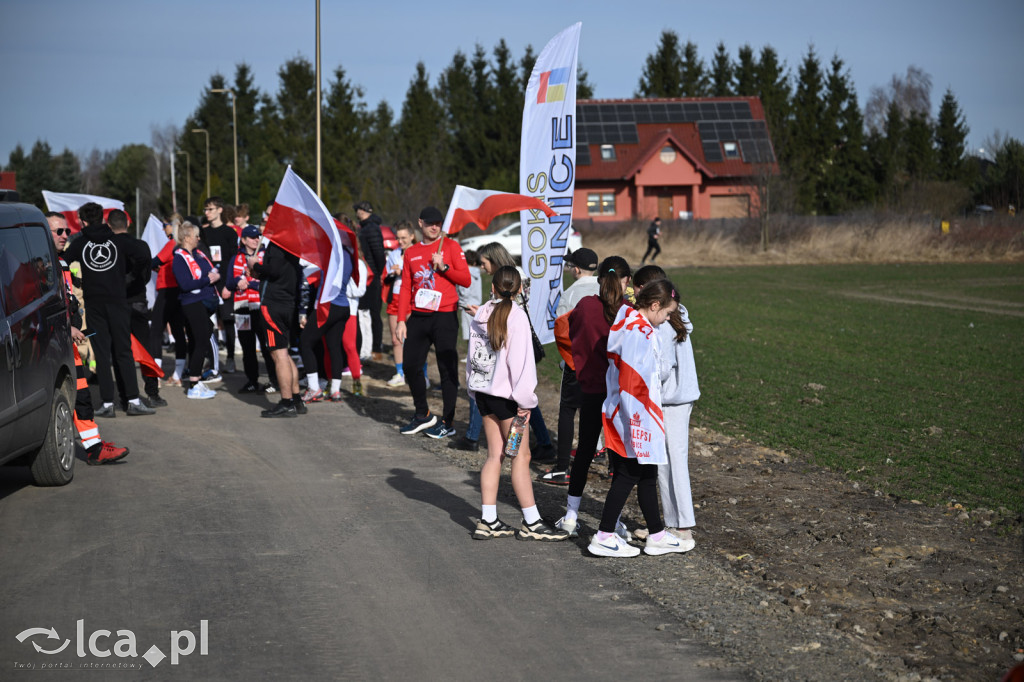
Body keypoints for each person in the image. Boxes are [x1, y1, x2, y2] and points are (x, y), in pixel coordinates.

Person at [588, 278, 691, 557]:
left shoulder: (630, 321)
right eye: (668, 313)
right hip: (635, 416)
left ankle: (656, 534)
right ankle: (604, 535)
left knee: (648, 472)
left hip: (632, 413)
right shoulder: (638, 333)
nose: (669, 319)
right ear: (655, 305)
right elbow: (632, 382)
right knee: (628, 473)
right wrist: (640, 425)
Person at [468, 266, 568, 542]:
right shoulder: (517, 317)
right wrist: (526, 402)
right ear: (520, 289)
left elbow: (473, 357)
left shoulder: (481, 312)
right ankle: (532, 522)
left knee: (495, 455)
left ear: (493, 287)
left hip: (485, 395)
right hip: (508, 400)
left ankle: (488, 520)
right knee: (520, 457)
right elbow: (521, 366)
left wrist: (474, 390)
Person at [553, 256, 632, 538]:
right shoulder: (628, 311)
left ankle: (571, 515)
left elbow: (564, 330)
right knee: (618, 459)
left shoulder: (585, 306)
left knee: (585, 451)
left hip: (589, 390)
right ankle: (615, 521)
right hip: (619, 394)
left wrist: (576, 360)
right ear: (627, 281)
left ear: (599, 279)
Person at [47, 212, 129, 464]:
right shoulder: (42, 263)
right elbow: (48, 303)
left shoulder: (61, 261)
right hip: (52, 343)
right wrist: (67, 326)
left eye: (66, 231)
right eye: (58, 232)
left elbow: (67, 298)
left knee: (81, 395)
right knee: (62, 398)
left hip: (67, 342)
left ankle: (94, 448)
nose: (64, 236)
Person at [62, 202, 155, 417]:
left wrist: (75, 280)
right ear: (103, 219)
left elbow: (62, 262)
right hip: (118, 302)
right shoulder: (118, 240)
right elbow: (143, 254)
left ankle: (107, 404)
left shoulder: (80, 243)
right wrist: (131, 278)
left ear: (82, 221)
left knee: (102, 354)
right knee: (124, 351)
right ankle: (132, 400)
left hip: (94, 305)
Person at [632, 265, 700, 550]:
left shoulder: (663, 323)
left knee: (673, 463)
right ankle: (671, 523)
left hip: (672, 400)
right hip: (676, 398)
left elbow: (661, 367)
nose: (633, 293)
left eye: (636, 288)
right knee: (665, 462)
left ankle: (683, 527)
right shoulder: (677, 313)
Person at [473, 242, 555, 461]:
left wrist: (484, 313)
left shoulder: (512, 279)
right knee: (519, 393)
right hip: (505, 338)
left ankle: (540, 443)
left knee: (519, 393)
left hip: (510, 340)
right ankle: (540, 441)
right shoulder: (513, 277)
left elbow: (509, 308)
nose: (483, 268)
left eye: (484, 263)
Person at [395, 206, 470, 438]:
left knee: (447, 369)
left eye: (437, 222)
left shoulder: (451, 246)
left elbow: (466, 279)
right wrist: (400, 319)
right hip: (419, 315)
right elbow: (406, 286)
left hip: (445, 315)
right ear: (420, 224)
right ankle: (423, 415)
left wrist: (444, 267)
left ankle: (447, 421)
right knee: (409, 365)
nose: (434, 227)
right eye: (429, 223)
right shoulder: (411, 252)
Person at [540, 246, 600, 484]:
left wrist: (568, 360)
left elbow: (562, 333)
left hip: (577, 365)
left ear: (576, 269)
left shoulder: (570, 295)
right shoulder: (605, 289)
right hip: (602, 363)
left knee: (567, 411)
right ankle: (598, 458)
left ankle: (562, 466)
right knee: (594, 413)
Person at [107, 209, 164, 408]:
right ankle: (153, 393)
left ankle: (125, 396)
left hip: (116, 303)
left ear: (109, 226)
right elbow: (146, 275)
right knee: (145, 351)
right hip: (138, 302)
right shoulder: (140, 246)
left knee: (121, 352)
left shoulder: (108, 247)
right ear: (128, 224)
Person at [251, 237, 307, 417]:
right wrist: (259, 273)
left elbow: (273, 270)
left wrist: (256, 265)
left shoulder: (278, 244)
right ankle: (296, 398)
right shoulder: (292, 245)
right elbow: (279, 272)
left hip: (274, 305)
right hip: (285, 303)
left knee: (279, 354)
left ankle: (286, 402)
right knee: (284, 352)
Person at [298, 238, 353, 404]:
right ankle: (335, 390)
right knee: (334, 346)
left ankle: (314, 388)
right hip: (343, 306)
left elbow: (305, 263)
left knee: (305, 343)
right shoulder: (348, 254)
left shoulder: (331, 254)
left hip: (328, 305)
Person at [171, 222, 220, 400]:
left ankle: (195, 380)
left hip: (201, 301)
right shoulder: (179, 258)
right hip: (191, 301)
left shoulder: (197, 254)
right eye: (195, 236)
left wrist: (213, 275)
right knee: (201, 339)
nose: (199, 238)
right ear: (186, 238)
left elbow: (210, 269)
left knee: (200, 336)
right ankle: (193, 382)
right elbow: (186, 284)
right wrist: (207, 279)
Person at [226, 225, 276, 393]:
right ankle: (252, 381)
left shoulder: (265, 256)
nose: (256, 240)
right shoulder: (236, 258)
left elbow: (268, 281)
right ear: (244, 240)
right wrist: (237, 283)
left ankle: (274, 381)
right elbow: (229, 283)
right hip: (242, 308)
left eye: (258, 237)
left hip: (260, 308)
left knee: (267, 345)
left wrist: (251, 283)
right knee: (247, 347)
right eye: (252, 237)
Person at [450, 249, 483, 452]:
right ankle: (473, 434)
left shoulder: (469, 273)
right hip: (477, 308)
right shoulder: (479, 274)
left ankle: (473, 435)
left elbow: (463, 290)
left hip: (471, 308)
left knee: (476, 384)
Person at [200, 197, 238, 374]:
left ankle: (230, 358)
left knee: (228, 321)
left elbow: (233, 260)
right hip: (207, 284)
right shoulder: (203, 232)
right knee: (206, 322)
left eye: (210, 209)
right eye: (205, 210)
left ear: (220, 210)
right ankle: (210, 358)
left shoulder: (230, 233)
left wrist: (228, 285)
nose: (207, 213)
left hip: (225, 284)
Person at [150, 217, 189, 387]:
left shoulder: (173, 243)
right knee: (178, 331)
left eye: (165, 226)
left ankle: (156, 374)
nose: (163, 229)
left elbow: (154, 261)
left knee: (156, 331)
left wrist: (157, 267)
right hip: (179, 291)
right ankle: (178, 374)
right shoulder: (182, 244)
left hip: (168, 290)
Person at [384, 221, 417, 387]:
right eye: (398, 238)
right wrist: (392, 273)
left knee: (413, 339)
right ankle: (400, 373)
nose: (401, 241)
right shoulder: (394, 254)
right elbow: (386, 278)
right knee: (396, 339)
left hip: (412, 299)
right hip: (395, 299)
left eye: (404, 237)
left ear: (412, 236)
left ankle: (420, 374)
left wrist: (402, 272)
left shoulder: (417, 252)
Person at [353, 200, 387, 361]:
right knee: (366, 313)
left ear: (362, 211)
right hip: (368, 274)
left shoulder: (371, 228)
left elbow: (379, 253)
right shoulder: (366, 228)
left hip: (372, 276)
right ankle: (369, 347)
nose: (356, 213)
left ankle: (376, 348)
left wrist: (379, 272)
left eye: (357, 210)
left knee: (373, 313)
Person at [337, 255, 368, 398]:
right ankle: (332, 383)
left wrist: (342, 287)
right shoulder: (335, 260)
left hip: (350, 311)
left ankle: (357, 382)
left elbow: (360, 291)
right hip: (333, 308)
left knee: (350, 346)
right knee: (331, 346)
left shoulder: (359, 264)